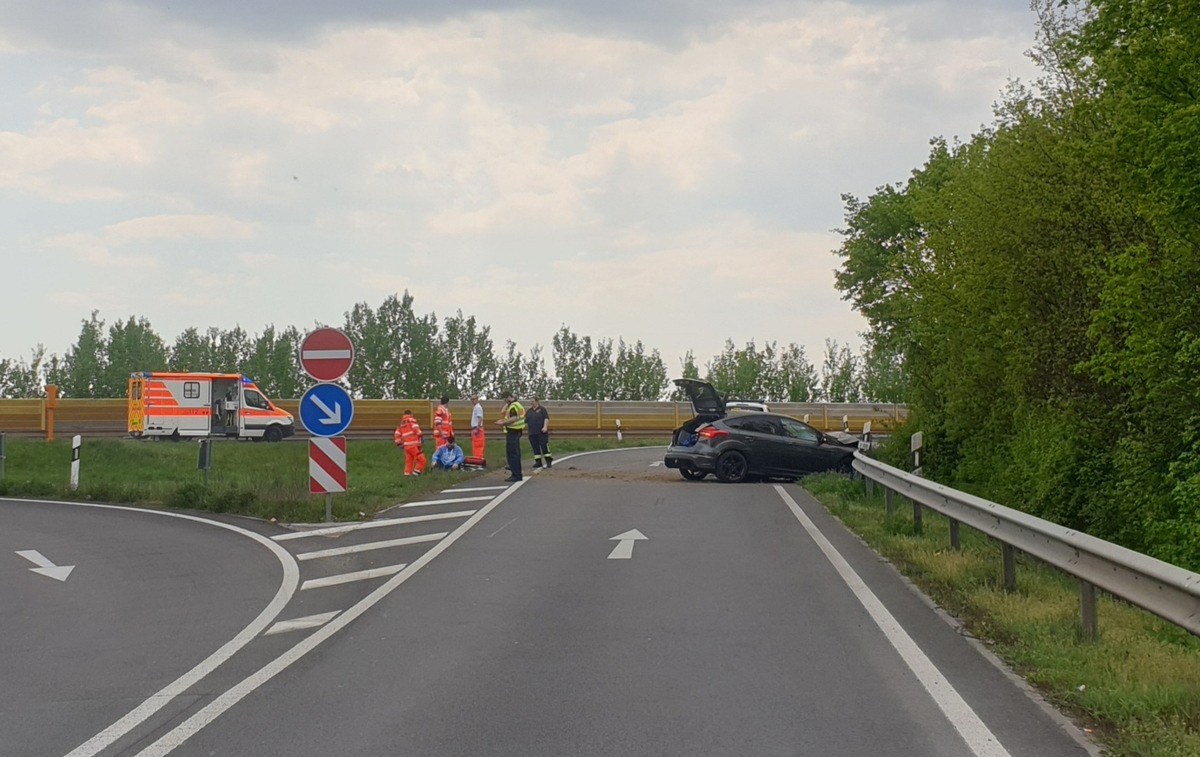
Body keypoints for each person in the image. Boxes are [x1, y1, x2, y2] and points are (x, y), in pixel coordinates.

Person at [494, 391, 526, 482]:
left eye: (505, 399)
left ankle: (516, 474)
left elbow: (513, 418)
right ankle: (515, 471)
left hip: (513, 431)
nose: (504, 401)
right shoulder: (515, 404)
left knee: (513, 454)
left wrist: (503, 423)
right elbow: (503, 412)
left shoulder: (513, 406)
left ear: (508, 397)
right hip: (516, 431)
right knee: (514, 453)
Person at [394, 410, 426, 476]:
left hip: (406, 447)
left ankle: (407, 475)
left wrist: (399, 444)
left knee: (409, 462)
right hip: (414, 445)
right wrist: (421, 435)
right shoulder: (412, 420)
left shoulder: (401, 424)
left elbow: (397, 435)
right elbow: (416, 429)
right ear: (411, 414)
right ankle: (416, 473)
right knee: (422, 460)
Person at [526, 396, 552, 469]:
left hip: (541, 432)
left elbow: (546, 418)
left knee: (544, 446)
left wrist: (545, 427)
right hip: (532, 432)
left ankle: (548, 461)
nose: (531, 403)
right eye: (530, 401)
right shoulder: (529, 411)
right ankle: (538, 462)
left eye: (532, 401)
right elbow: (525, 420)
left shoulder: (542, 409)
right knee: (535, 448)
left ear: (537, 401)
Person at [470, 393, 486, 459]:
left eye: (473, 399)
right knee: (475, 446)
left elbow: (480, 418)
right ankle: (476, 459)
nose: (472, 400)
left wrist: (477, 428)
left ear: (477, 399)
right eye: (471, 399)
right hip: (475, 428)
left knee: (478, 446)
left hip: (477, 428)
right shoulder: (475, 407)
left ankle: (479, 459)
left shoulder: (478, 407)